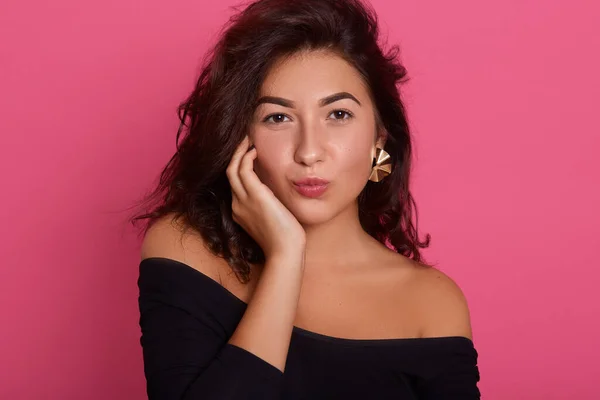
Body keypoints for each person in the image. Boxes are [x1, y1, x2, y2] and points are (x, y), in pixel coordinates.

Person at [131, 0, 481, 398]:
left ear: (378, 138)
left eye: (338, 115)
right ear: (242, 140)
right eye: (277, 118)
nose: (309, 151)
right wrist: (285, 258)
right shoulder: (184, 251)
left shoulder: (431, 304)